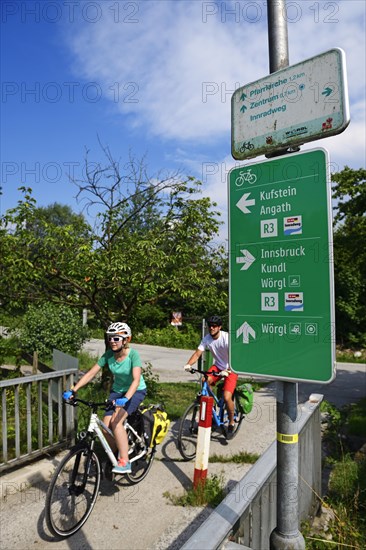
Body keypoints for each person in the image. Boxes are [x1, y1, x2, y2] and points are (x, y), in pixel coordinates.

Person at [64, 322, 147, 474]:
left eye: (116, 338)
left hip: (135, 391)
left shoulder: (133, 355)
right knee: (105, 427)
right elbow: (91, 373)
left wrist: (126, 398)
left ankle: (124, 461)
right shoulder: (108, 355)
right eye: (110, 338)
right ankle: (116, 452)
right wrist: (73, 390)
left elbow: (136, 380)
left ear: (126, 339)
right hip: (117, 391)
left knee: (116, 422)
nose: (112, 341)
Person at [183, 315, 238, 435]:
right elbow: (197, 354)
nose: (211, 328)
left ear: (219, 327)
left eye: (214, 326)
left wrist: (228, 369)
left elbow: (235, 356)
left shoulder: (226, 338)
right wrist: (188, 364)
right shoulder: (207, 338)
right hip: (218, 366)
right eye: (210, 326)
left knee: (227, 397)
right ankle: (211, 411)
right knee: (204, 380)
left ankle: (232, 421)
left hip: (231, 368)